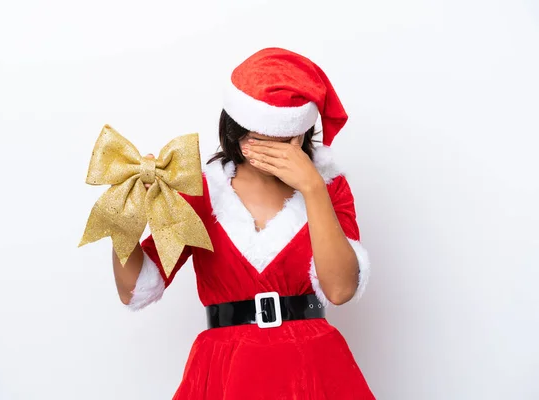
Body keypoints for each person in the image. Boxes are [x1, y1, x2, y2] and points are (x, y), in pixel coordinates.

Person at [112, 47, 375, 399]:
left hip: (312, 365)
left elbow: (340, 290)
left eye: (283, 140)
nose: (269, 150)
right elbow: (135, 288)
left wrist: (312, 187)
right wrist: (125, 216)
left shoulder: (330, 187)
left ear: (300, 133)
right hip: (226, 368)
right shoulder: (203, 191)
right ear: (236, 130)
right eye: (256, 138)